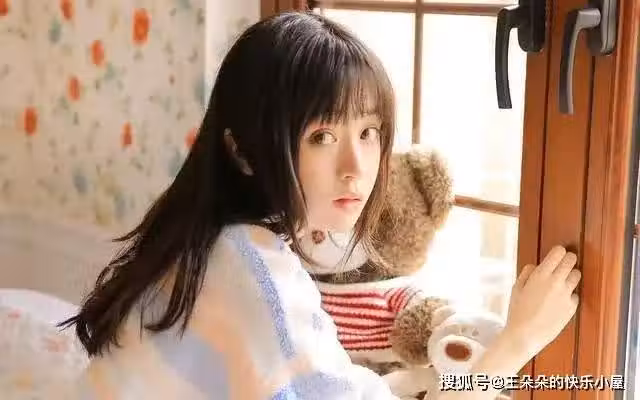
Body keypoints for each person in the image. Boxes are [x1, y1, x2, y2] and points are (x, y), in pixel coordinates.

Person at [58, 11, 581, 400]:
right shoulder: (250, 270)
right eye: (322, 137)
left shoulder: (208, 239)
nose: (356, 167)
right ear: (243, 152)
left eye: (369, 132)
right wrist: (516, 343)